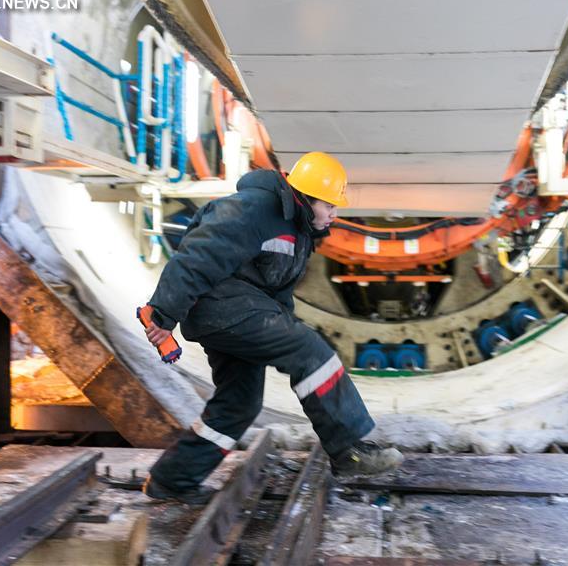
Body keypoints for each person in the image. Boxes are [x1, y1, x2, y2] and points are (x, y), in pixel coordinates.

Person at [141, 151, 403, 504]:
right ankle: (348, 451)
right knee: (311, 352)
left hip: (237, 312)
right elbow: (198, 256)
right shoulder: (255, 209)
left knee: (240, 404)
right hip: (220, 304)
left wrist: (284, 326)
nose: (334, 214)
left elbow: (275, 292)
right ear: (307, 198)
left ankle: (172, 481)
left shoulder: (298, 228)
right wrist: (163, 313)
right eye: (330, 205)